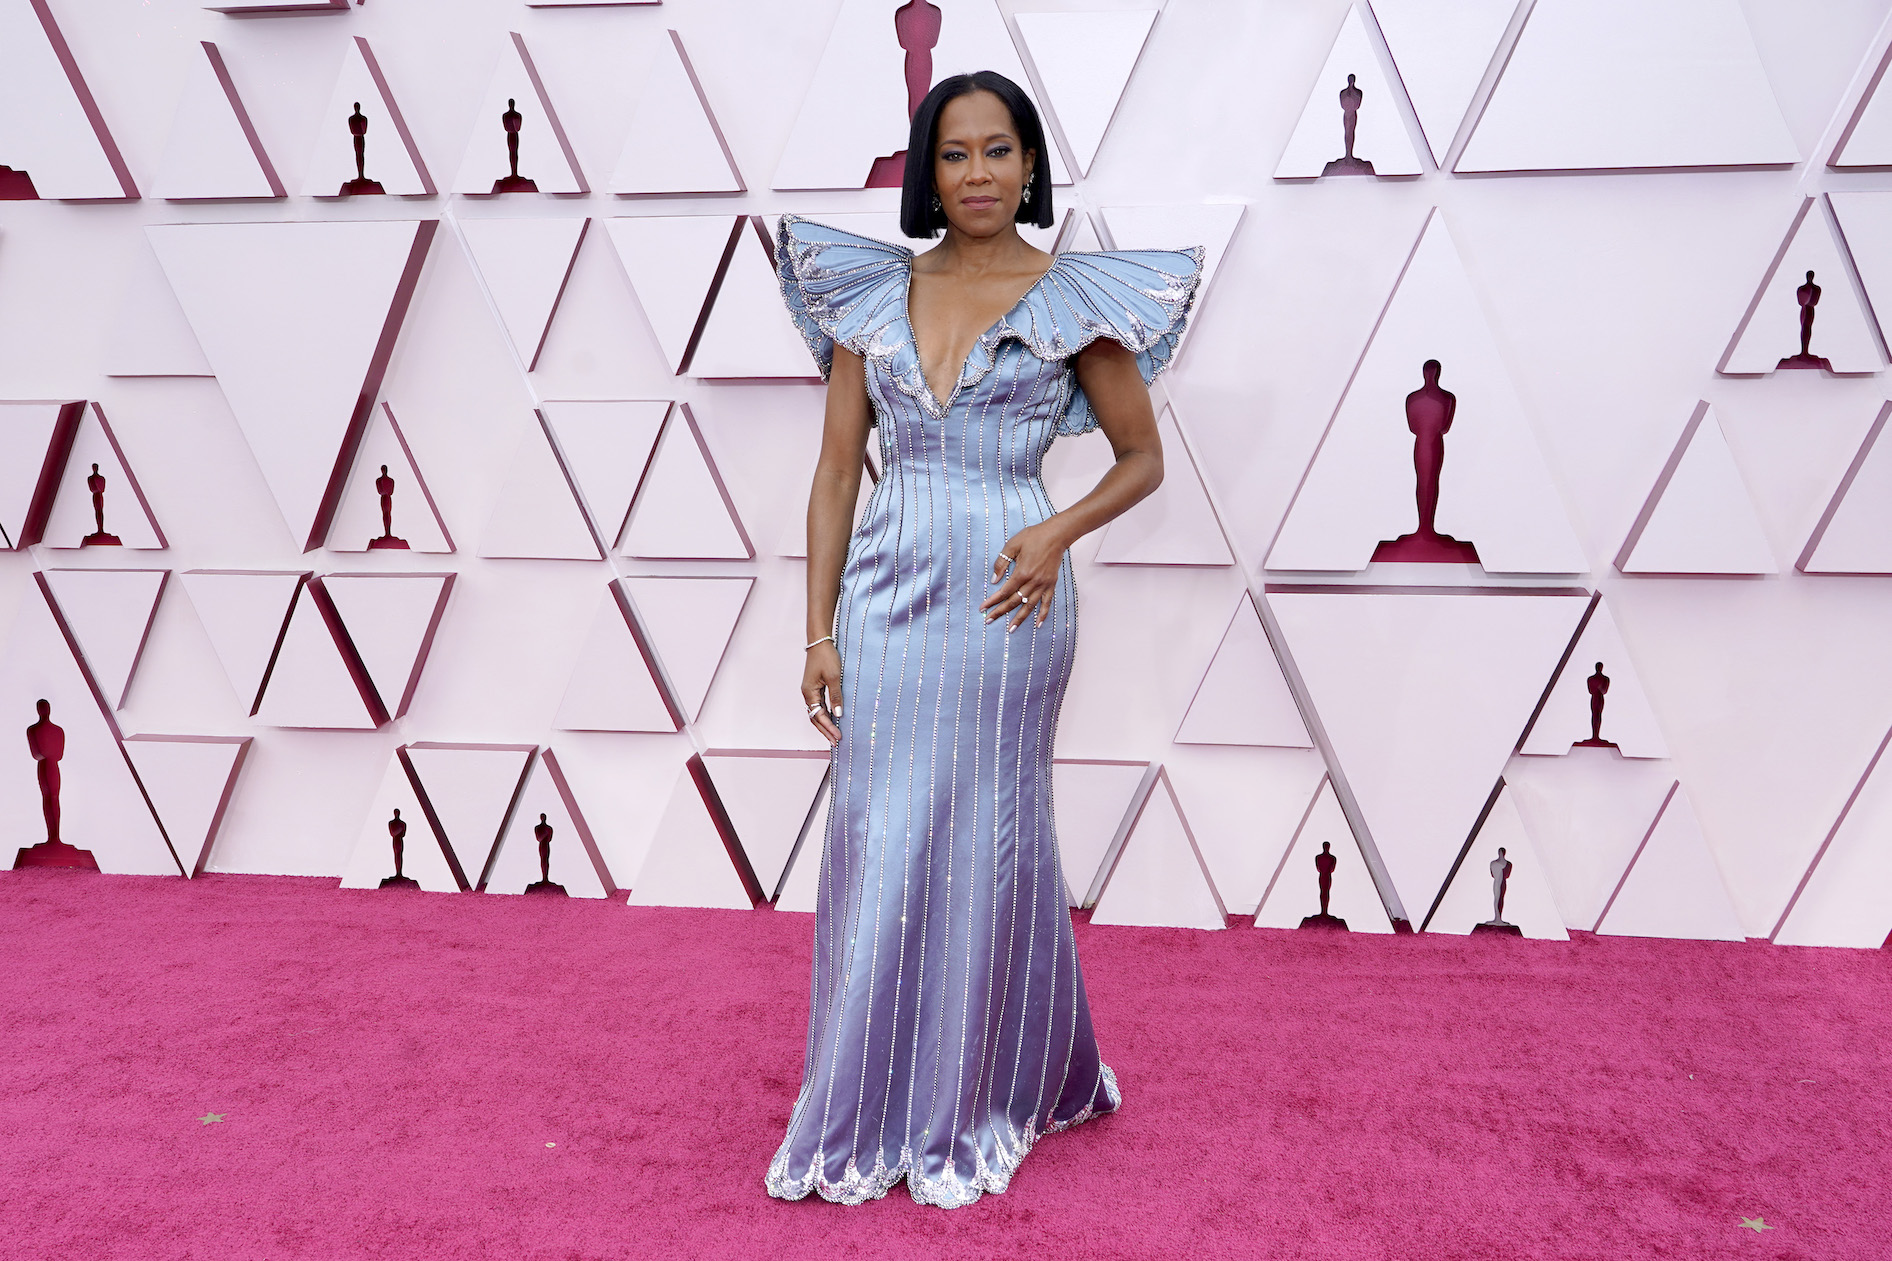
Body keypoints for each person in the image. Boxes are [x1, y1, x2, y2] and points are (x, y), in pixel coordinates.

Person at [769, 70, 1201, 1209]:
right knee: (876, 834)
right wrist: (816, 629)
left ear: (1029, 164)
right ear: (927, 169)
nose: (976, 175)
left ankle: (974, 1091)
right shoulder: (867, 294)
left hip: (1011, 601)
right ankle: (867, 1091)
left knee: (986, 834)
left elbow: (1139, 458)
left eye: (998, 151)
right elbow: (831, 472)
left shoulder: (1071, 298)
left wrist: (1056, 532)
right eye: (954, 154)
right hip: (883, 592)